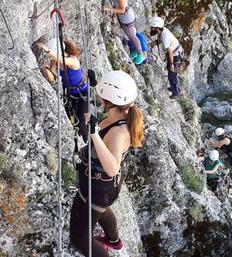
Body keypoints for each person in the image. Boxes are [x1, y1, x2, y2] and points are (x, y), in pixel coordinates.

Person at [69, 71, 144, 256]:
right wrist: (94, 84)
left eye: (101, 97)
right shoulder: (121, 112)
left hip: (97, 189)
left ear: (109, 102)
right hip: (104, 191)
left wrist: (94, 133)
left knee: (79, 238)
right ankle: (114, 241)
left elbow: (112, 168)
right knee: (102, 209)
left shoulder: (119, 132)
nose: (99, 99)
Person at [37, 38, 88, 142]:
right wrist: (46, 70)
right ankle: (76, 143)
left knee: (82, 123)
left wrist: (46, 49)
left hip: (82, 94)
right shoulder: (55, 60)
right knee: (70, 121)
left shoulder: (73, 60)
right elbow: (52, 79)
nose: (51, 57)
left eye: (52, 55)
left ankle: (87, 144)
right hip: (69, 94)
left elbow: (61, 59)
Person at [149, 16, 183, 99]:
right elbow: (159, 40)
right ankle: (174, 87)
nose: (151, 29)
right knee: (171, 73)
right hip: (175, 52)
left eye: (152, 28)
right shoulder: (162, 31)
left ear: (157, 28)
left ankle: (176, 92)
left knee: (172, 74)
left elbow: (170, 52)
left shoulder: (165, 36)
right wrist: (152, 44)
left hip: (175, 54)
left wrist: (171, 64)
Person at [103, 0, 145, 65]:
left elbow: (122, 10)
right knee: (130, 36)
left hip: (126, 17)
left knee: (132, 36)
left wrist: (108, 9)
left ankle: (140, 54)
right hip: (124, 16)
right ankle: (135, 51)